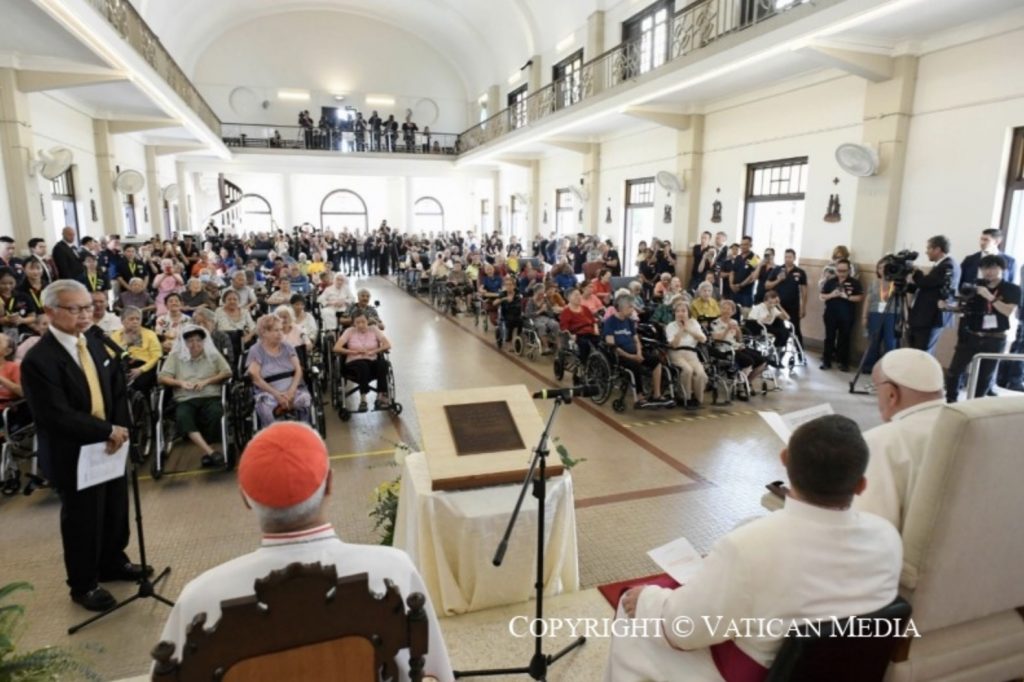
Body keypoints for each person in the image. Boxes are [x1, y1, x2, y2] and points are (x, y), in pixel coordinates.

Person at [606, 415, 901, 682]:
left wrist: (645, 600)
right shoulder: (888, 537)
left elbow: (683, 631)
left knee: (634, 623)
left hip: (757, 674)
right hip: (846, 672)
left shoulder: (750, 545)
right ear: (861, 485)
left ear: (784, 460)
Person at [156, 422, 454, 681]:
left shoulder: (199, 601)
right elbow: (433, 673)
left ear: (245, 498)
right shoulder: (393, 570)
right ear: (330, 485)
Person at [21, 280, 147, 612]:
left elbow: (115, 387)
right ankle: (84, 584)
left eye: (87, 307)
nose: (83, 315)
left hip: (110, 442)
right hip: (73, 451)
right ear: (49, 312)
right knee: (83, 519)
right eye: (74, 309)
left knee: (114, 509)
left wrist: (120, 428)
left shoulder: (92, 341)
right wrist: (107, 429)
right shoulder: (39, 359)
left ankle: (112, 563)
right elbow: (55, 415)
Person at [853, 348, 945, 530]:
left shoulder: (883, 442)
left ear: (891, 394)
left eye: (875, 389)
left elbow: (870, 526)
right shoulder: (970, 424)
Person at [945, 255, 1020, 402]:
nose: (988, 272)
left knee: (984, 378)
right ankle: (951, 401)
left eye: (992, 268)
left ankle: (974, 405)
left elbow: (1007, 311)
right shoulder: (975, 286)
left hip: (995, 338)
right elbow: (964, 308)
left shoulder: (1012, 289)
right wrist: (948, 306)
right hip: (971, 335)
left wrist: (989, 296)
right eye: (984, 268)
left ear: (1002, 269)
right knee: (954, 372)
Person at [158, 326, 231, 468]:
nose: (195, 344)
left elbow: (227, 372)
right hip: (185, 398)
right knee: (182, 416)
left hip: (210, 395)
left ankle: (208, 451)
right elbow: (162, 378)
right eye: (190, 341)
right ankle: (210, 452)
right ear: (183, 343)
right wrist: (180, 383)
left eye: (198, 340)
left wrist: (206, 381)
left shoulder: (212, 355)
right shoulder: (175, 357)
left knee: (216, 413)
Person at [603, 294, 670, 407]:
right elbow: (612, 346)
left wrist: (638, 352)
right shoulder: (610, 322)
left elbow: (636, 340)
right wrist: (631, 356)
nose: (632, 309)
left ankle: (656, 394)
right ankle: (639, 396)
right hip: (620, 356)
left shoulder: (629, 321)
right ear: (620, 308)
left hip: (635, 353)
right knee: (635, 365)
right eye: (630, 307)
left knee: (656, 361)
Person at [247, 315, 311, 427]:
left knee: (305, 400)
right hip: (269, 392)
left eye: (281, 329)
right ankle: (274, 436)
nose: (280, 333)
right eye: (276, 330)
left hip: (292, 390)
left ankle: (302, 433)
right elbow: (255, 378)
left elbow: (298, 370)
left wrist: (291, 391)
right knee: (264, 407)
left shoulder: (288, 346)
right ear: (264, 332)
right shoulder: (256, 350)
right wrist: (277, 395)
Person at [906, 235, 959, 355]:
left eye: (928, 248)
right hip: (924, 317)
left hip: (930, 316)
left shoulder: (948, 265)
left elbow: (927, 283)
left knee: (922, 352)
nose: (926, 252)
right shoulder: (941, 265)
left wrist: (916, 272)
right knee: (916, 349)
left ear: (937, 249)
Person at [334, 310, 392, 411]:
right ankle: (363, 399)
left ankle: (380, 397)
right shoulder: (349, 331)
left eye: (363, 322)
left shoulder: (374, 329)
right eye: (357, 322)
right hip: (353, 363)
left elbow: (387, 345)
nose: (361, 325)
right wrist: (352, 351)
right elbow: (336, 348)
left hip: (371, 361)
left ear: (367, 321)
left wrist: (374, 351)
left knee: (383, 363)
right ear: (353, 323)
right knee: (362, 365)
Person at [819, 259, 863, 371]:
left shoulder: (854, 282)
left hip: (847, 315)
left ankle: (843, 362)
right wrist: (832, 295)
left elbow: (860, 297)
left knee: (845, 338)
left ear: (849, 270)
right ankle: (826, 361)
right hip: (831, 314)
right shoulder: (830, 281)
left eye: (844, 271)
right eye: (839, 270)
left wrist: (847, 297)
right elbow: (822, 296)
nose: (841, 273)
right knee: (829, 338)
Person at [860, 258, 899, 374]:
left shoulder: (896, 283)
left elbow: (902, 301)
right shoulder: (874, 283)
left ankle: (889, 370)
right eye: (880, 267)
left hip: (891, 314)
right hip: (875, 313)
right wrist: (864, 316)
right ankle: (869, 367)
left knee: (889, 342)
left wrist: (904, 319)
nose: (883, 270)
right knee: (873, 341)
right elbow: (868, 299)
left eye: (886, 267)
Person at [110, 306, 162, 394]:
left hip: (144, 366)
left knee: (138, 385)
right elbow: (110, 354)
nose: (135, 321)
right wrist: (124, 344)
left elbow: (157, 356)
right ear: (122, 321)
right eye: (131, 319)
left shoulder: (150, 334)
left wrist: (141, 370)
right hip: (120, 366)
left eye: (138, 319)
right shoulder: (116, 335)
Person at [665, 302, 707, 409]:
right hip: (676, 353)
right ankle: (685, 397)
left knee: (700, 373)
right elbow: (673, 345)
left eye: (683, 311)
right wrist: (681, 330)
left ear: (688, 312)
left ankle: (697, 399)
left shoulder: (694, 323)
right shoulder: (671, 326)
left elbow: (703, 339)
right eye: (678, 311)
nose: (680, 313)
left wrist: (688, 329)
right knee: (687, 370)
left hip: (692, 353)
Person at [765, 248, 808, 345]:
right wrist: (778, 280)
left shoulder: (800, 272)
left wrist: (803, 307)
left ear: (794, 258)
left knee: (795, 329)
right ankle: (778, 351)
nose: (787, 259)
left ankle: (800, 354)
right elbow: (767, 285)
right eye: (786, 257)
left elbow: (804, 291)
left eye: (790, 257)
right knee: (778, 328)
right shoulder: (777, 270)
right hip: (777, 306)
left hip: (793, 306)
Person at [727, 235, 758, 308]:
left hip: (746, 293)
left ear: (750, 245)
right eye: (742, 244)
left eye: (746, 244)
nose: (743, 246)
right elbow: (732, 272)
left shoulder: (754, 258)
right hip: (734, 291)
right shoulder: (738, 257)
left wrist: (740, 285)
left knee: (745, 314)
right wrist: (731, 284)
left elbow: (752, 276)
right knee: (733, 312)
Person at [0, 334, 22, 410]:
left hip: (6, 408)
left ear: (7, 351)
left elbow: (22, 392)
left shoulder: (14, 367)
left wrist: (1, 379)